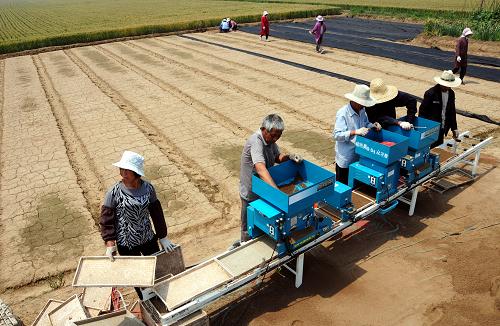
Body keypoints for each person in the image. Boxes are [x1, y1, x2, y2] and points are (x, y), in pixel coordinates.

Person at [237, 114, 303, 245]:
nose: (276, 138)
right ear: (263, 129)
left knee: (264, 222)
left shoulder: (270, 141)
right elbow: (261, 170)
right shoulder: (256, 142)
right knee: (248, 225)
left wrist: (289, 157)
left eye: (279, 135)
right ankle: (245, 245)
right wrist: (277, 193)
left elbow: (277, 157)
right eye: (273, 135)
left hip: (263, 190)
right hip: (251, 192)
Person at [100, 151, 175, 261]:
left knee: (156, 269)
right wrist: (110, 244)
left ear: (136, 172)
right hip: (126, 244)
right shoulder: (113, 193)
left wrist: (162, 236)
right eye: (122, 169)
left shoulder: (148, 189)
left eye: (128, 170)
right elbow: (106, 221)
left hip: (148, 239)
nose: (123, 173)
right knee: (137, 275)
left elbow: (157, 214)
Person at [333, 84, 381, 185]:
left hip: (358, 154)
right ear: (354, 101)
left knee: (354, 184)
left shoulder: (362, 110)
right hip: (346, 157)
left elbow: (365, 123)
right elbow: (337, 135)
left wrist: (372, 125)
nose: (363, 106)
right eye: (361, 103)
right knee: (343, 185)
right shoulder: (342, 113)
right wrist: (355, 132)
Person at [419, 70, 461, 147]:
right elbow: (422, 112)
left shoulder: (451, 94)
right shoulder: (431, 93)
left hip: (443, 127)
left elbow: (452, 111)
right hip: (431, 128)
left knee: (438, 147)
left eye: (449, 86)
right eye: (445, 85)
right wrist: (424, 128)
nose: (447, 87)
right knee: (428, 147)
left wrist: (454, 128)